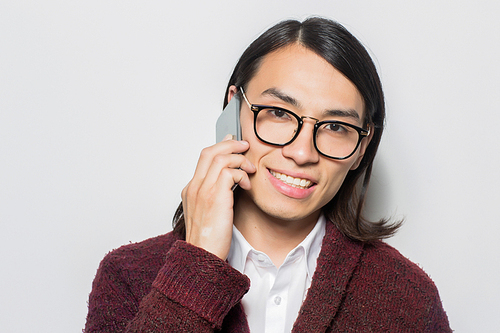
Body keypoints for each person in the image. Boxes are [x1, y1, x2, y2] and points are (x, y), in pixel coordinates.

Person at [85, 17, 452, 332]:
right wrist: (196, 266)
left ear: (361, 146)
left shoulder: (408, 298)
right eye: (278, 113)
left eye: (336, 127)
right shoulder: (129, 277)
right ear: (233, 110)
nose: (302, 152)